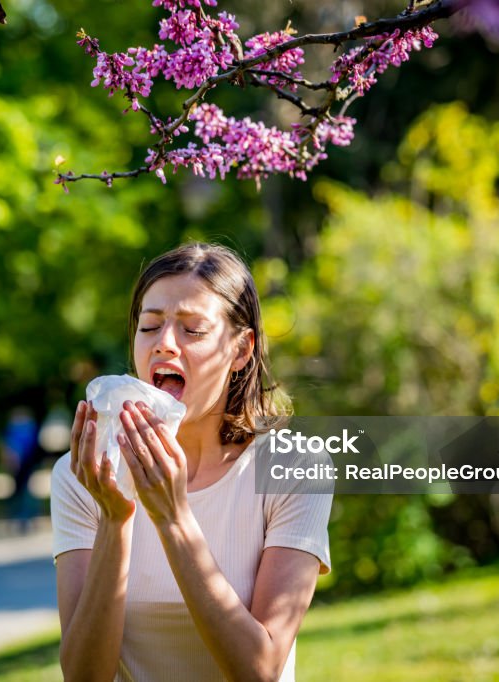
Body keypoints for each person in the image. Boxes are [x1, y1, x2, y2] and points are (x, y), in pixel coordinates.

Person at [51, 243, 332, 681]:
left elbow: (260, 671)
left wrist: (174, 517)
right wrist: (114, 518)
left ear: (241, 351)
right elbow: (84, 677)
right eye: (149, 326)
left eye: (192, 330)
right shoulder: (84, 476)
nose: (164, 344)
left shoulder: (296, 468)